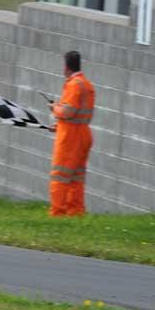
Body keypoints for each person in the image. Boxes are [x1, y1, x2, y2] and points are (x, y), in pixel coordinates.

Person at [49, 51, 95, 217]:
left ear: (66, 66)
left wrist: (54, 107)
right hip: (83, 133)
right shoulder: (87, 84)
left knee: (60, 175)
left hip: (71, 137)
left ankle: (58, 212)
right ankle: (75, 211)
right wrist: (59, 126)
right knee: (76, 176)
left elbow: (68, 112)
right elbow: (79, 115)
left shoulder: (74, 84)